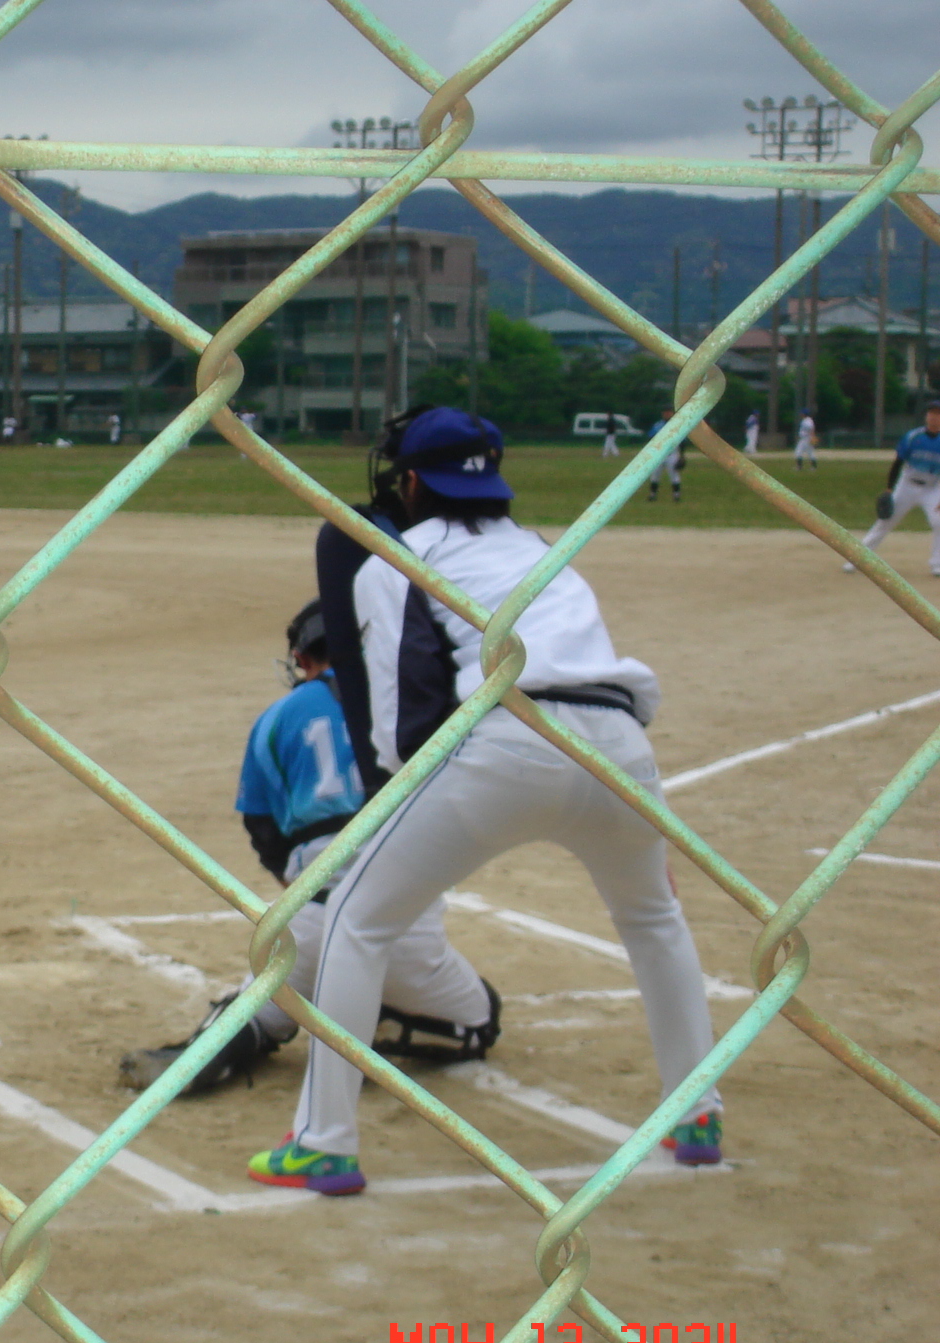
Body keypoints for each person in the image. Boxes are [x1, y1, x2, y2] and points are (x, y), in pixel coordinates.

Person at [249, 406, 723, 1196]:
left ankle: (324, 1143)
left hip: (503, 745)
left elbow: (399, 723)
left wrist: (403, 803)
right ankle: (698, 1113)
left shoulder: (398, 559)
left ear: (409, 482)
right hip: (620, 747)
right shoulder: (546, 550)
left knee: (356, 922)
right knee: (654, 920)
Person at [117, 600, 498, 1097]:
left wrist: (296, 881)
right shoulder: (408, 700)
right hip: (402, 918)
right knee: (481, 1019)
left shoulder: (277, 718)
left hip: (309, 914)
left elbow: (261, 825)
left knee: (271, 1004)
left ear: (302, 658)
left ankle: (223, 1041)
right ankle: (378, 1027)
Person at [845, 398, 940, 576]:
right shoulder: (913, 437)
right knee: (885, 522)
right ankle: (857, 559)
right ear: (926, 416)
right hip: (907, 485)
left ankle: (937, 564)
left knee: (939, 522)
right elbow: (897, 463)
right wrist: (889, 489)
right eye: (931, 413)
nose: (934, 417)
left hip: (932, 488)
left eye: (938, 414)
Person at [647, 407, 683, 503]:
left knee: (674, 475)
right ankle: (652, 494)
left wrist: (682, 456)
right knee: (655, 475)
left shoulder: (677, 425)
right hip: (658, 454)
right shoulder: (657, 425)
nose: (667, 414)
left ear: (672, 413)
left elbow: (682, 441)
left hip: (672, 454)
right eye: (665, 412)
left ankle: (676, 495)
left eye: (669, 412)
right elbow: (650, 438)